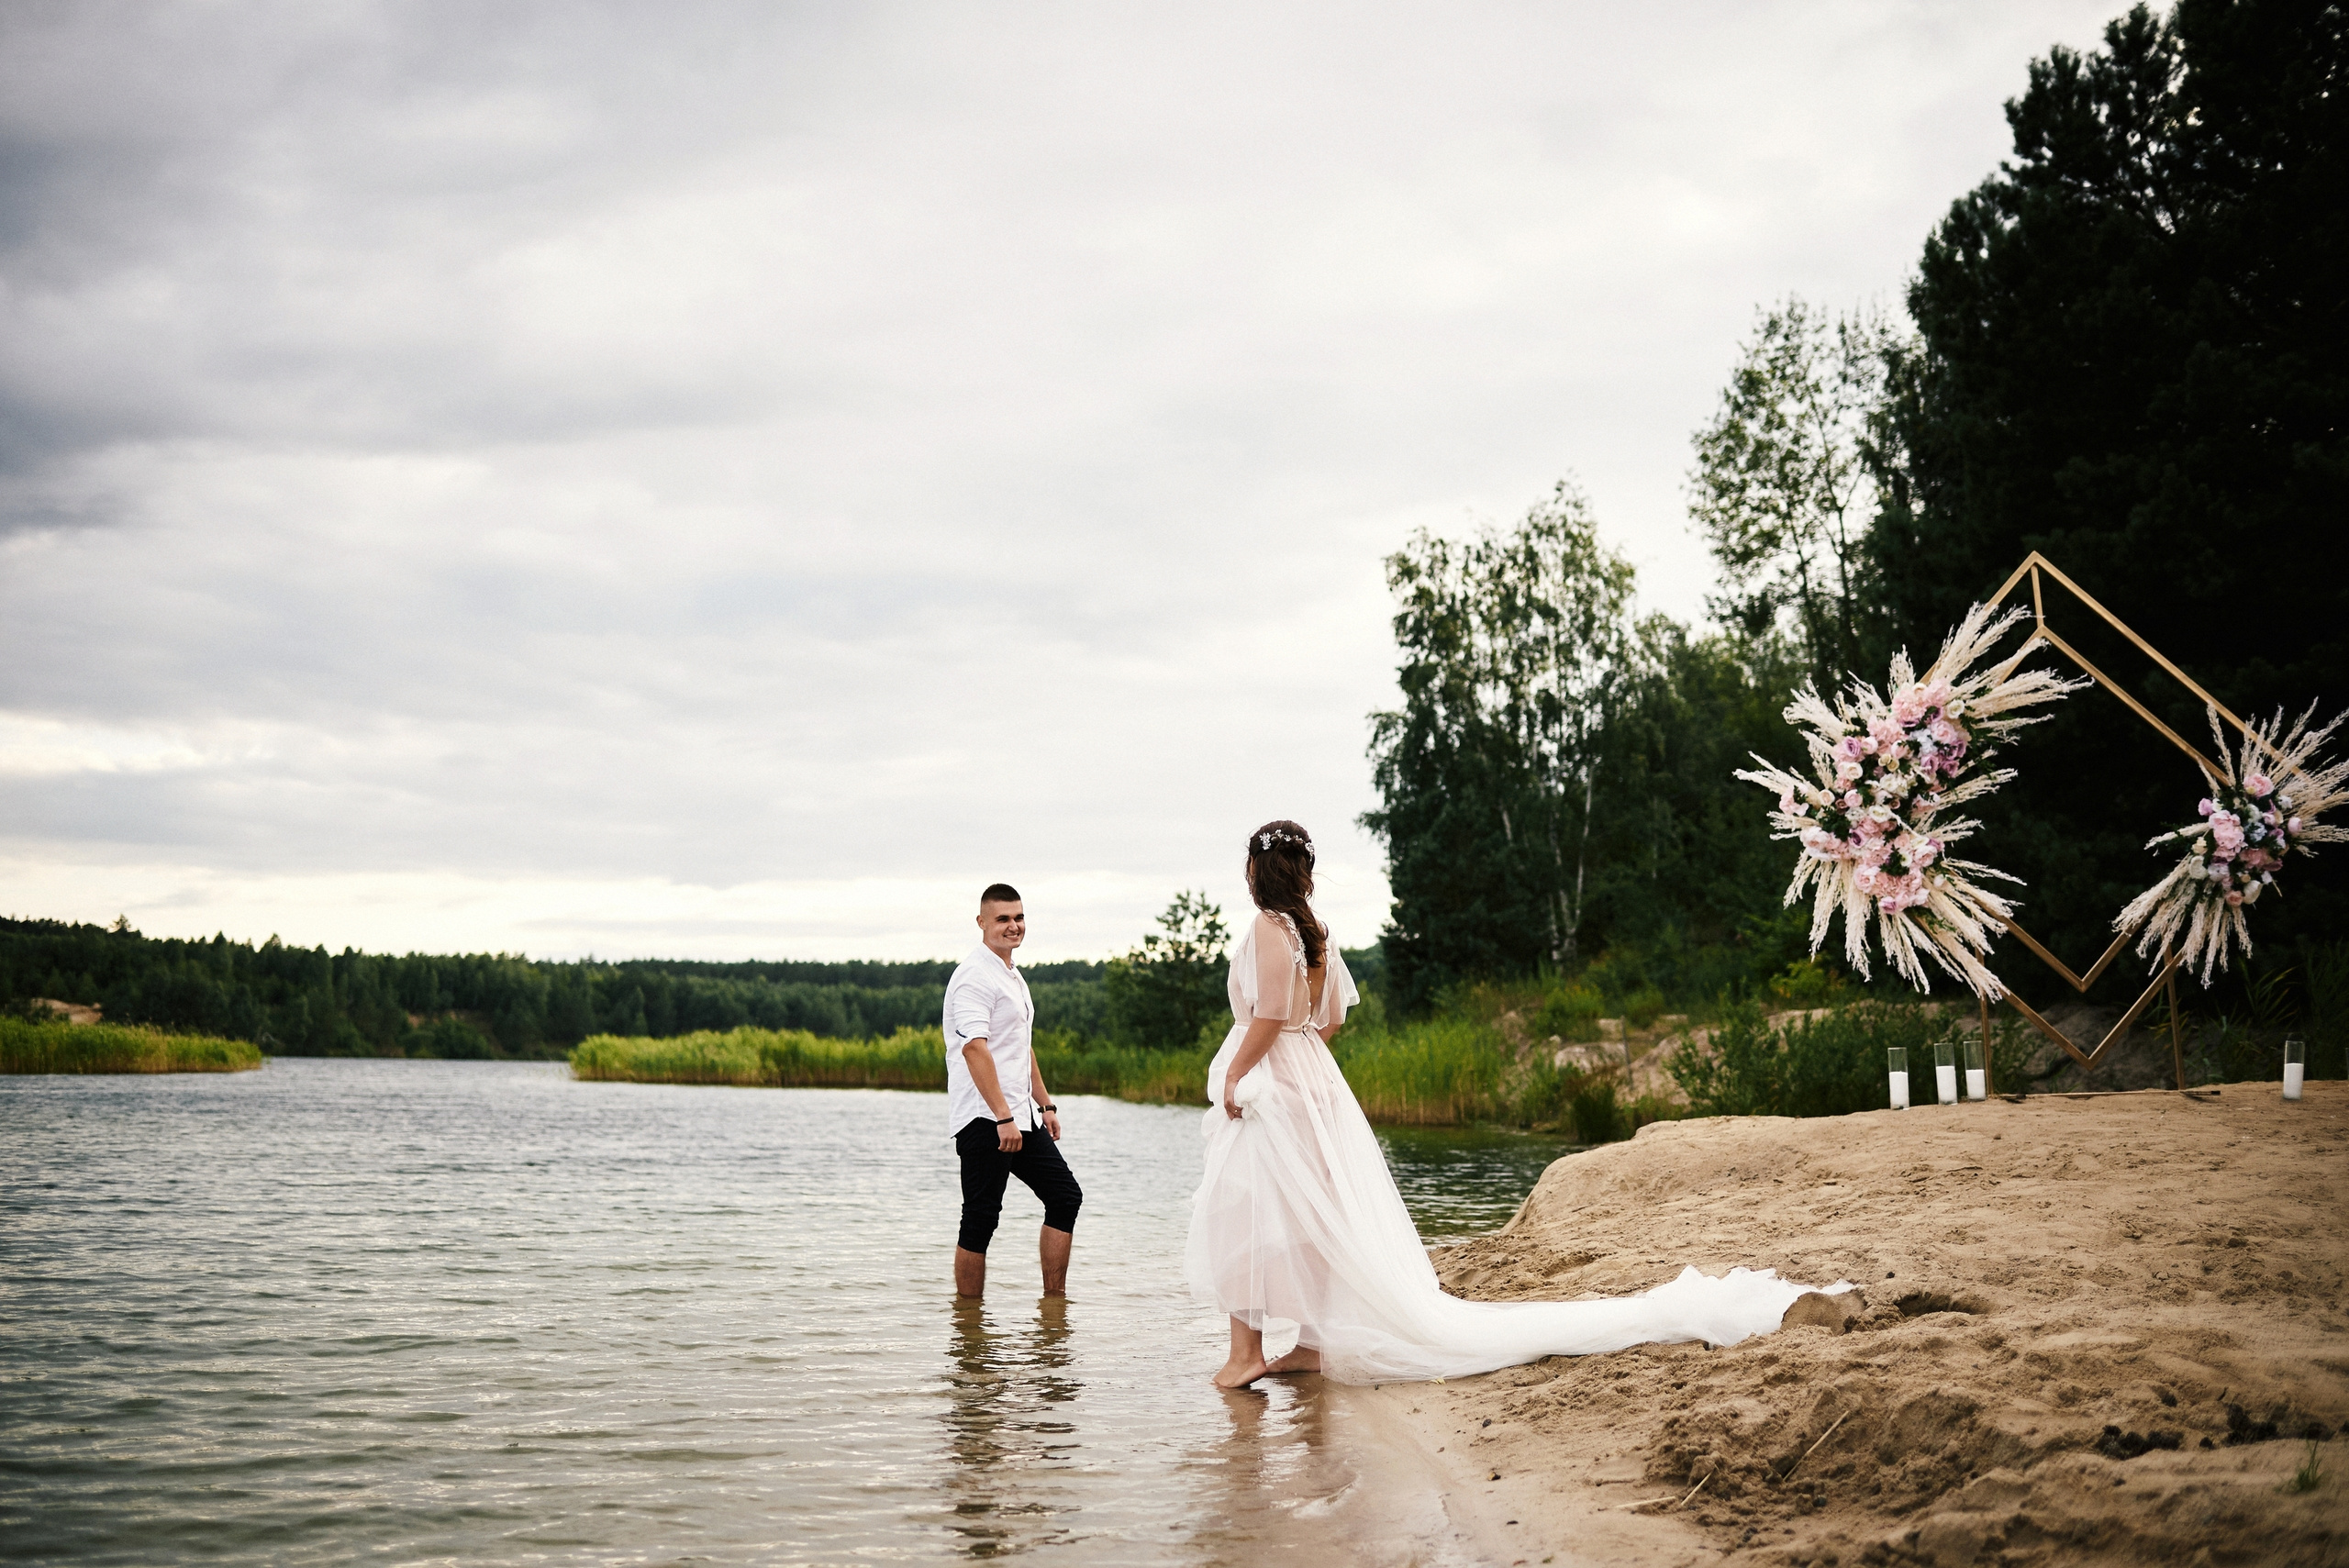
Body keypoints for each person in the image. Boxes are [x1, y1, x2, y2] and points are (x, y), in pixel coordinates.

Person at [1187, 820, 1845, 1388]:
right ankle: (1307, 1342)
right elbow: (1326, 1020)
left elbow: (1270, 1013)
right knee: (1307, 1215)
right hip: (1314, 1081)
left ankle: (1246, 1352)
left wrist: (1237, 1075)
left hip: (1272, 1084)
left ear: (1257, 869)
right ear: (1303, 871)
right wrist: (1303, 1058)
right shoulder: (1313, 932)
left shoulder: (1267, 929)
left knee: (1245, 1209)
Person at [946, 883, 1082, 1298]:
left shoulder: (1011, 974)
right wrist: (1004, 1116)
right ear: (982, 922)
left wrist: (1045, 1103)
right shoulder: (974, 975)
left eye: (1018, 917)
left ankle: (1053, 1305)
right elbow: (974, 1048)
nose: (1013, 926)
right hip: (986, 1119)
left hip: (1019, 1117)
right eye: (1003, 919)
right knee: (981, 1219)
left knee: (1064, 1196)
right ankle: (969, 1326)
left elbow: (1020, 1048)